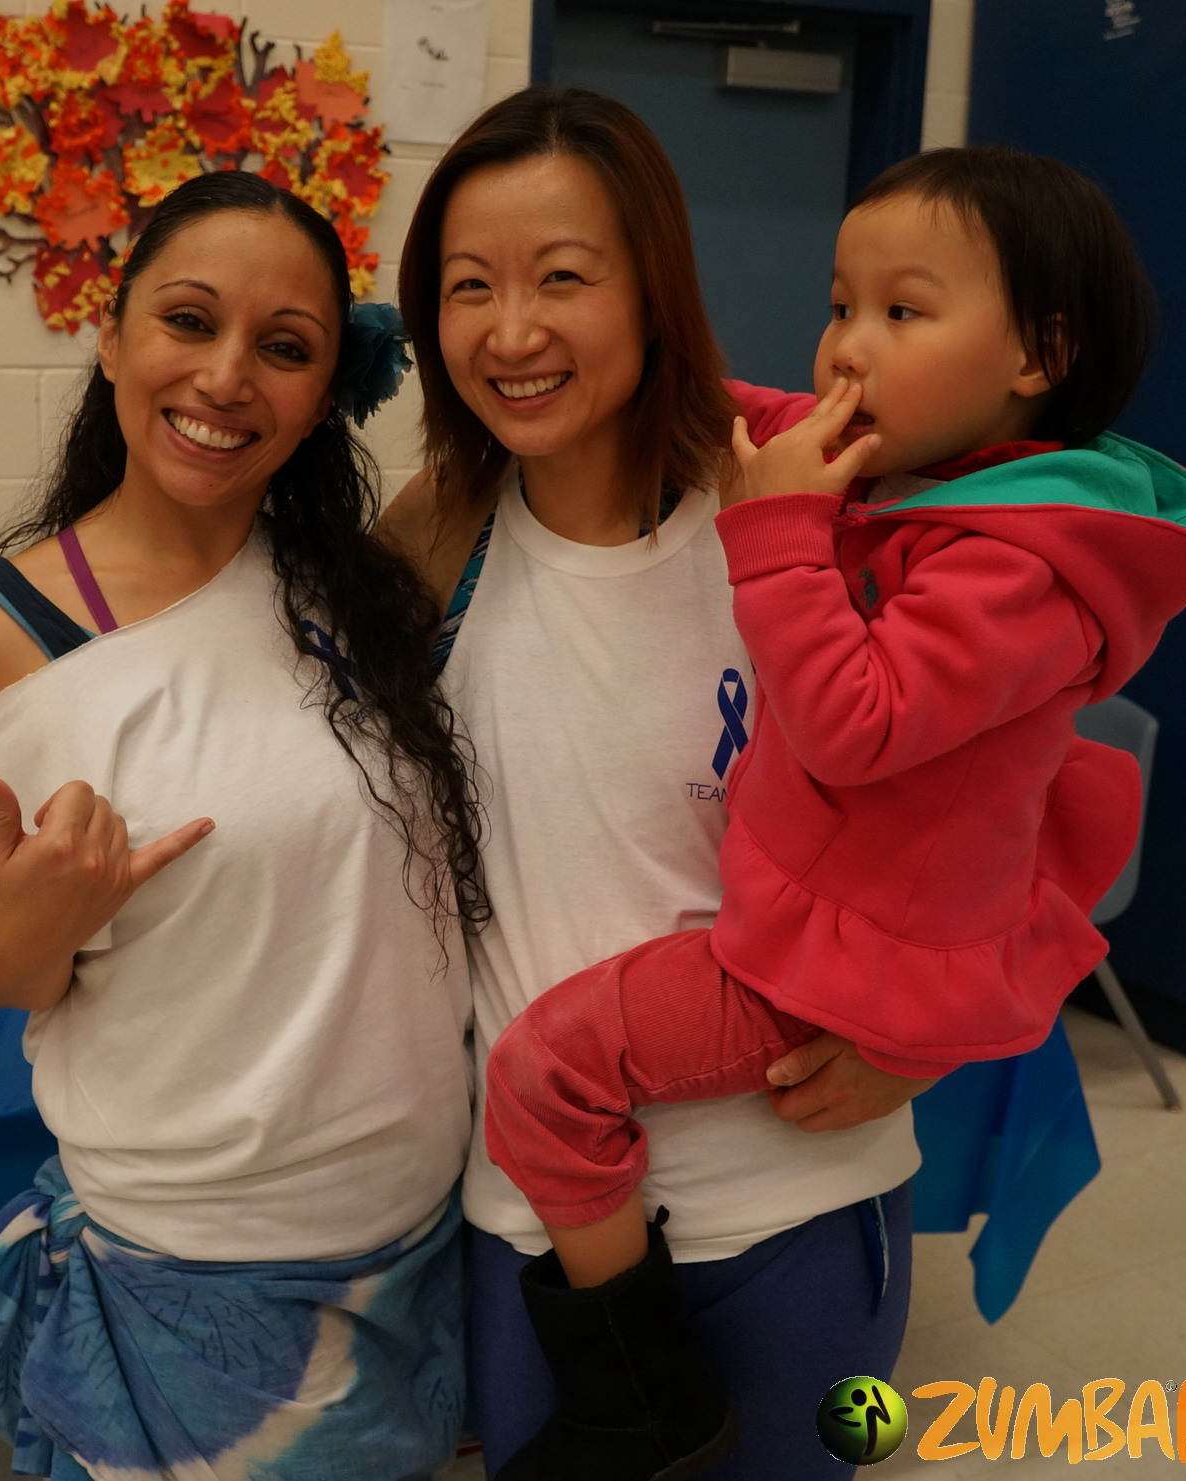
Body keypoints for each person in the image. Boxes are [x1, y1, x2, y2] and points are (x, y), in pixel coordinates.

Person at [478, 145, 1186, 1477]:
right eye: (841, 304)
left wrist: (775, 532)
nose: (846, 346)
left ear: (1039, 355)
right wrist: (618, 354)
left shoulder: (1023, 563)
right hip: (826, 925)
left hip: (833, 965)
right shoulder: (949, 475)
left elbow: (856, 722)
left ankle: (635, 1391)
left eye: (901, 311)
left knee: (547, 1075)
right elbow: (750, 416)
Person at [382, 88, 932, 1479]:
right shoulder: (433, 535)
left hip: (798, 1195)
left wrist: (938, 1032)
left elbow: (1000, 805)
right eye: (469, 287)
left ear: (654, 289)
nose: (512, 332)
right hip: (539, 1222)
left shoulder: (803, 514)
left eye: (564, 277)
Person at [0, 170, 485, 1481]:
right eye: (188, 320)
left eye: (285, 347)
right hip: (201, 1275)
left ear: (329, 388)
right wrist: (41, 925)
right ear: (111, 335)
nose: (227, 377)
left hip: (421, 1233)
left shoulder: (358, 589)